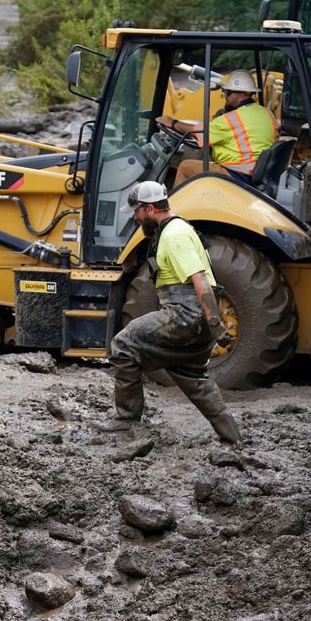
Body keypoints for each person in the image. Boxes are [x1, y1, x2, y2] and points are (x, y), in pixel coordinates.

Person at [108, 181, 242, 444]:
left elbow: (200, 279)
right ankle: (233, 439)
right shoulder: (179, 229)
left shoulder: (175, 235)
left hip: (186, 314)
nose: (135, 218)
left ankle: (127, 420)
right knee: (191, 375)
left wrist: (215, 325)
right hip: (193, 316)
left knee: (122, 345)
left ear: (148, 209)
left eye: (136, 211)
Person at [159, 69, 278, 184]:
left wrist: (172, 123)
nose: (225, 96)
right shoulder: (267, 113)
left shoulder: (232, 119)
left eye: (228, 93)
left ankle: (172, 205)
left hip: (238, 173)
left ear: (242, 95)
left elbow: (199, 132)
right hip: (257, 171)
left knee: (185, 167)